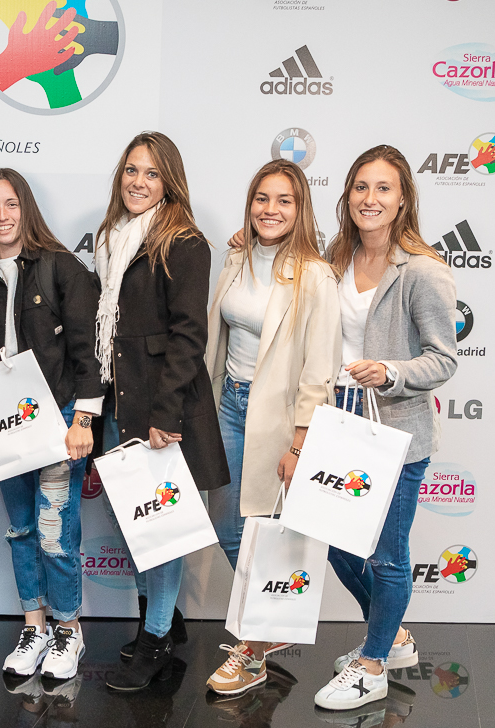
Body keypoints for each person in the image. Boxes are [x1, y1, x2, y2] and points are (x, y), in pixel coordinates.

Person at [310, 145, 456, 711]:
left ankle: (371, 665)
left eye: (384, 189)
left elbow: (443, 359)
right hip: (339, 429)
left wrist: (390, 371)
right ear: (347, 196)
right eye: (361, 187)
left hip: (396, 436)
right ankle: (390, 636)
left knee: (388, 557)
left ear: (402, 200)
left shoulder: (422, 270)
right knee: (334, 543)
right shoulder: (335, 257)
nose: (370, 199)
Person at [92, 132, 229, 691]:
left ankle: (152, 638)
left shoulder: (185, 243)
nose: (138, 182)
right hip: (120, 403)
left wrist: (165, 416)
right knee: (133, 524)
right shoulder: (111, 239)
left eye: (150, 173)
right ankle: (166, 622)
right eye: (131, 171)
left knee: (161, 529)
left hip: (161, 412)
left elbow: (189, 336)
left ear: (168, 181)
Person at [202, 159, 341, 696]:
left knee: (260, 532)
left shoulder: (315, 274)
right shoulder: (237, 256)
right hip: (226, 407)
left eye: (284, 200)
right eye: (262, 198)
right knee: (230, 530)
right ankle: (266, 628)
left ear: (300, 208)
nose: (271, 209)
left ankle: (253, 651)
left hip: (276, 421)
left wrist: (301, 440)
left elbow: (319, 367)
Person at [0, 168, 102, 680]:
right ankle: (34, 626)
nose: (2, 216)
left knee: (54, 532)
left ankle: (69, 631)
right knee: (21, 528)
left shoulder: (61, 266)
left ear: (26, 208)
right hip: (6, 422)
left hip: (61, 416)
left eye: (11, 204)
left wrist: (84, 419)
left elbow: (89, 350)